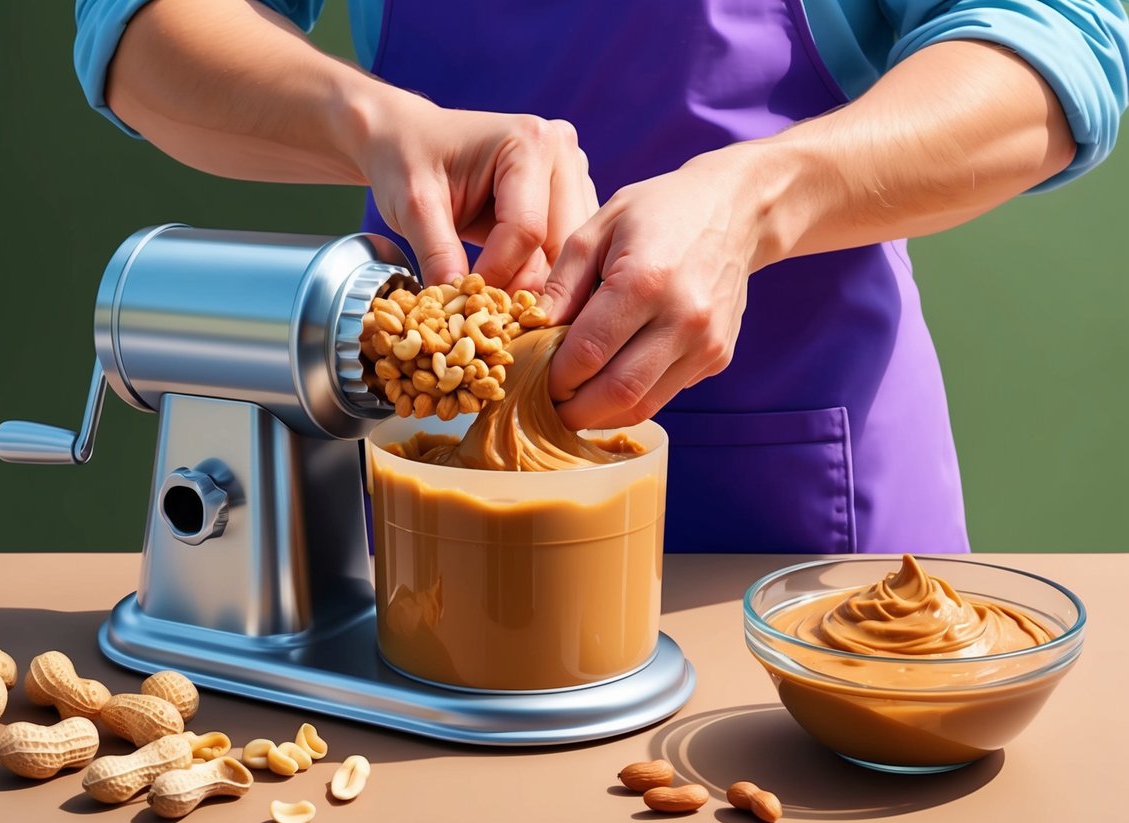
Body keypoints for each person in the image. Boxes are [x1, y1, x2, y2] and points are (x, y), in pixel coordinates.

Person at [74, 0, 1128, 554]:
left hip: (803, 544)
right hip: (428, 493)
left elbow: (1057, 38)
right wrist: (371, 121)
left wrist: (762, 199)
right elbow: (137, 29)